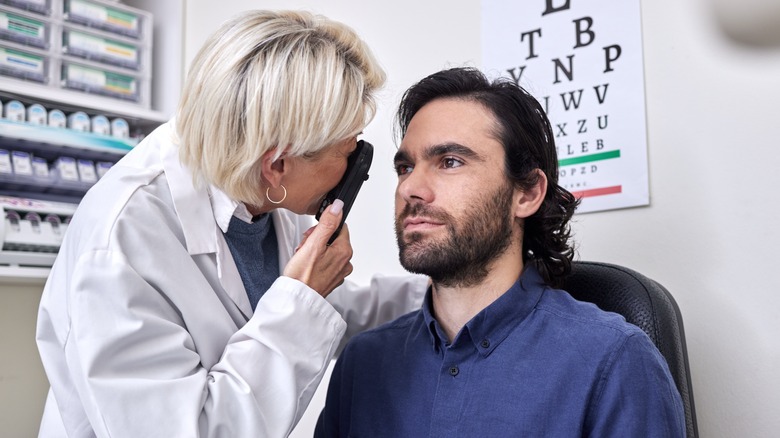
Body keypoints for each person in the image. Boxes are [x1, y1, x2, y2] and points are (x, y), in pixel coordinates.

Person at [35, 10, 427, 437]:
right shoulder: (121, 241)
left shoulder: (258, 194)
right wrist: (302, 298)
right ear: (277, 166)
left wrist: (444, 290)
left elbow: (324, 309)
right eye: (348, 150)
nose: (356, 167)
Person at [315, 67, 686, 437]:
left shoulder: (614, 361)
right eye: (405, 167)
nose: (411, 187)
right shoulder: (361, 364)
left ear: (526, 193)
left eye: (450, 162)